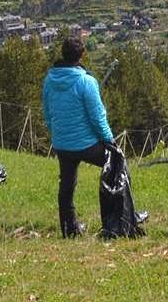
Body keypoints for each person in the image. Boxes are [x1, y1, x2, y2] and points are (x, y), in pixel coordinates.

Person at [42, 37, 115, 238]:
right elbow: (97, 116)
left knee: (66, 185)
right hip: (86, 144)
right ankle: (118, 218)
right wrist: (109, 140)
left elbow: (47, 113)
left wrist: (56, 133)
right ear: (82, 55)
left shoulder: (49, 80)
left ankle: (69, 229)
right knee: (117, 167)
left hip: (62, 144)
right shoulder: (86, 81)